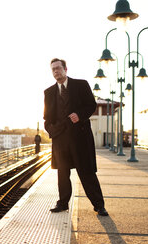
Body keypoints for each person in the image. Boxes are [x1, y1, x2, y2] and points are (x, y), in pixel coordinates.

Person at [43, 58, 108, 216]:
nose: (56, 71)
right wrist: (52, 130)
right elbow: (47, 118)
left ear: (66, 69)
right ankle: (63, 203)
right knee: (62, 173)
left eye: (58, 68)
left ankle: (99, 205)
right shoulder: (49, 92)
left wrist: (79, 115)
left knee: (86, 172)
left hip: (80, 139)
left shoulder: (81, 85)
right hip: (60, 140)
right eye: (53, 69)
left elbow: (91, 105)